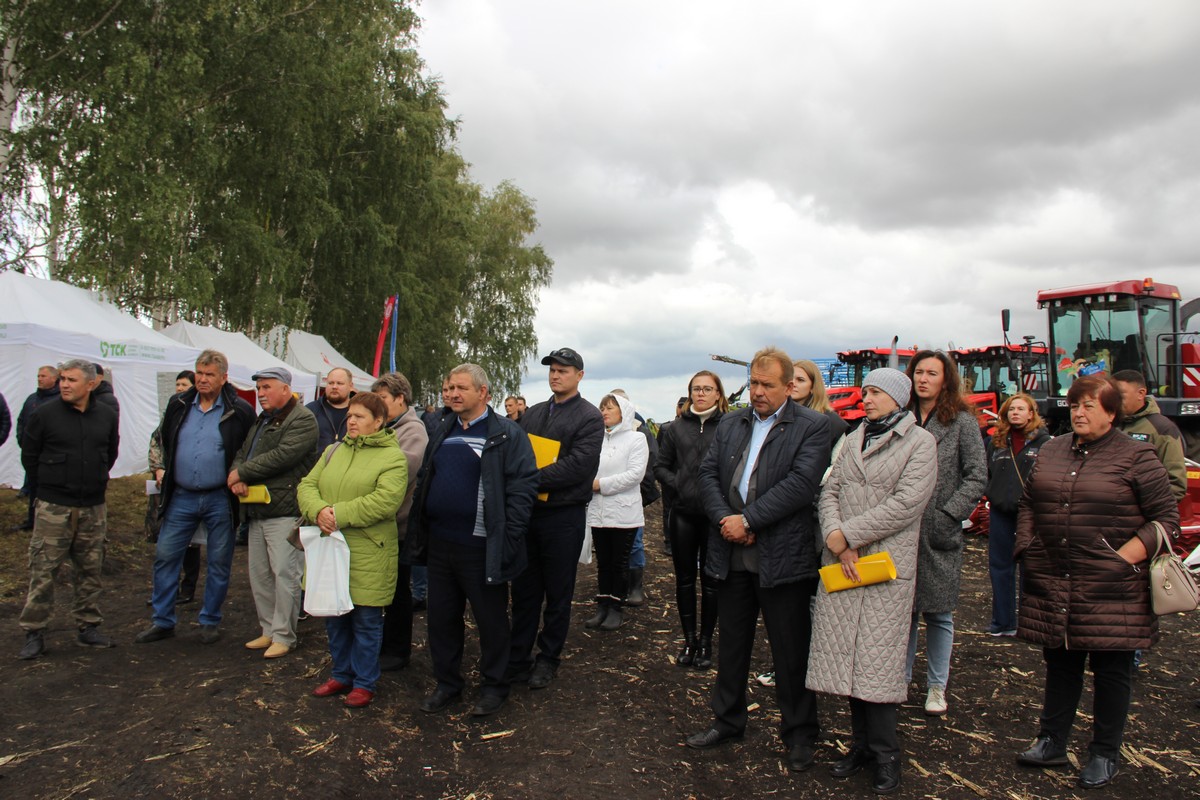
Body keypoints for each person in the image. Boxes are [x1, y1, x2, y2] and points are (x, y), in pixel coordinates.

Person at [1014, 375, 1179, 789]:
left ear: (1111, 412)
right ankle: (1052, 741)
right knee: (1061, 661)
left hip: (1113, 587)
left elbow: (1166, 520)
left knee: (1111, 669)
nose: (1079, 412)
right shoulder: (1052, 449)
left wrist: (1122, 561)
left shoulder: (1136, 456)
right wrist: (1027, 547)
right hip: (1055, 577)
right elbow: (1030, 502)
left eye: (1089, 405)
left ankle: (1104, 752)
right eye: (1075, 405)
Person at [686, 346, 832, 775]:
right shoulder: (732, 423)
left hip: (782, 556)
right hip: (731, 553)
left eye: (767, 385)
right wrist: (726, 520)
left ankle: (800, 732)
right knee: (731, 644)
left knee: (790, 650)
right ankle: (728, 720)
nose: (758, 392)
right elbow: (708, 475)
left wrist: (749, 519)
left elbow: (801, 485)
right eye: (753, 383)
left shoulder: (813, 427)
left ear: (790, 386)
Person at [807, 367, 937, 795]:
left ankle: (886, 755)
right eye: (866, 391)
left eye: (877, 392)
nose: (868, 398)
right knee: (846, 656)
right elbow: (829, 489)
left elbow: (906, 504)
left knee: (877, 662)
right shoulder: (851, 437)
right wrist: (834, 537)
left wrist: (851, 534)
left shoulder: (920, 443)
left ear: (898, 398)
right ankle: (859, 747)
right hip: (844, 561)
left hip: (884, 566)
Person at [406, 364, 538, 717]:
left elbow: (523, 488)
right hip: (440, 544)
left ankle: (495, 686)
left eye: (460, 388)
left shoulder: (506, 433)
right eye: (448, 388)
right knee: (441, 619)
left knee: (491, 620)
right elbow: (426, 477)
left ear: (484, 393)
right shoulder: (442, 429)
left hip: (481, 545)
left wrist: (508, 537)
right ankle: (448, 683)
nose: (452, 394)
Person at [136, 354, 255, 645]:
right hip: (182, 495)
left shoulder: (239, 410)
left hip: (219, 497)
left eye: (210, 374)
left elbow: (249, 449)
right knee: (166, 556)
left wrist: (241, 476)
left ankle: (210, 619)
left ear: (224, 377)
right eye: (200, 373)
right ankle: (162, 620)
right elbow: (164, 438)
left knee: (219, 560)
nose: (202, 379)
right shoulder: (178, 405)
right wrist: (161, 468)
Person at [298, 392, 407, 708]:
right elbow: (307, 485)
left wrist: (337, 514)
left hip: (369, 552)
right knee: (334, 616)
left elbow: (385, 502)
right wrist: (318, 510)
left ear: (378, 421)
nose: (352, 421)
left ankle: (364, 682)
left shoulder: (392, 458)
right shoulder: (334, 451)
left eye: (360, 416)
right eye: (350, 415)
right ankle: (341, 673)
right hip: (330, 548)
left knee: (365, 620)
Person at [508, 347, 604, 690]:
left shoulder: (589, 417)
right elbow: (517, 451)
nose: (555, 375)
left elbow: (578, 466)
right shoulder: (532, 413)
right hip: (528, 514)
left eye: (564, 370)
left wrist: (527, 479)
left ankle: (548, 659)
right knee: (524, 589)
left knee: (558, 592)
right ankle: (517, 656)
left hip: (563, 516)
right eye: (552, 369)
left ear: (579, 375)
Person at [17, 360, 120, 659]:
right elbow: (30, 457)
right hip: (54, 506)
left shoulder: (106, 415)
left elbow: (110, 452)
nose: (64, 384)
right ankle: (34, 631)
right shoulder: (44, 415)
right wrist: (51, 486)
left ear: (90, 384)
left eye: (71, 380)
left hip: (92, 506)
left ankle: (88, 626)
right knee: (43, 570)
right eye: (62, 379)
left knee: (90, 569)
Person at [903, 349, 987, 716]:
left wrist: (948, 514)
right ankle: (898, 679)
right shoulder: (900, 418)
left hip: (937, 530)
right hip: (900, 528)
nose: (923, 379)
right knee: (901, 611)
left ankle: (937, 686)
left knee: (938, 613)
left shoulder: (962, 422)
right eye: (918, 372)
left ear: (945, 380)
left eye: (931, 373)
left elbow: (976, 475)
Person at [229, 366, 319, 658]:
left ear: (285, 389)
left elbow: (283, 456)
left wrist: (242, 472)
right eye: (258, 389)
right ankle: (268, 630)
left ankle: (284, 634)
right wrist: (237, 473)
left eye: (266, 387)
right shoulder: (262, 420)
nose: (261, 393)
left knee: (285, 574)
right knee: (260, 574)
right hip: (257, 508)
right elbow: (245, 451)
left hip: (285, 509)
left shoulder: (302, 419)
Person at [655, 371, 727, 669]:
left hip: (714, 516)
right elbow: (660, 467)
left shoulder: (729, 426)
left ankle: (707, 642)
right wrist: (681, 484)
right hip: (682, 513)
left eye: (707, 389)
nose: (701, 394)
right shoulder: (675, 428)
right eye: (696, 389)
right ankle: (689, 639)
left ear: (718, 394)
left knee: (711, 581)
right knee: (684, 580)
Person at [372, 371, 429, 672]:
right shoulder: (383, 427)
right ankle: (379, 644)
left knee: (396, 590)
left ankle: (397, 650)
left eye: (382, 399)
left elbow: (400, 474)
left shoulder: (413, 431)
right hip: (374, 523)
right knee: (377, 589)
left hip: (398, 525)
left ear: (400, 399)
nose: (378, 405)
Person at [983, 393, 1050, 637]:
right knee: (1000, 566)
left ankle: (1028, 622)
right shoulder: (997, 442)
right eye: (1011, 409)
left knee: (1030, 568)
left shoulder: (1045, 443)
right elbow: (986, 472)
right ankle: (1003, 621)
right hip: (1001, 511)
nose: (1015, 413)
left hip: (1030, 515)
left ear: (1031, 413)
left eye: (1021, 409)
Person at [585, 394, 649, 631]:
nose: (604, 411)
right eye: (602, 407)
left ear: (623, 411)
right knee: (603, 561)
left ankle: (616, 608)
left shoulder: (636, 439)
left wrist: (600, 485)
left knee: (619, 561)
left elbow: (634, 475)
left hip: (623, 511)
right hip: (599, 510)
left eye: (610, 407)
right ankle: (602, 605)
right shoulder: (597, 439)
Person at [144, 370, 201, 604]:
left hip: (189, 487)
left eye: (184, 384)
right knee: (165, 543)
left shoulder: (199, 412)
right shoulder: (172, 409)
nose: (179, 388)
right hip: (165, 486)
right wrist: (158, 468)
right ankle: (165, 592)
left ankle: (187, 589)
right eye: (177, 384)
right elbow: (157, 439)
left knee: (191, 543)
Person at [1111, 370, 1187, 504]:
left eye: (1120, 395)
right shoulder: (1107, 425)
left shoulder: (1162, 428)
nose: (1114, 401)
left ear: (1141, 394)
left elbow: (1176, 485)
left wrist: (1141, 510)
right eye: (1112, 396)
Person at [13, 366, 60, 531]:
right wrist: (22, 440)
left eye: (43, 376)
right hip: (30, 452)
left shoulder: (59, 401)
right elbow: (21, 421)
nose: (39, 379)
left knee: (47, 491)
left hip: (48, 455)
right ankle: (31, 520)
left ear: (54, 379)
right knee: (33, 488)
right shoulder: (32, 399)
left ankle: (47, 522)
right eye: (38, 376)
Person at [306, 366, 356, 449]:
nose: (334, 387)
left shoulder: (360, 413)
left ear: (351, 386)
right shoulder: (310, 411)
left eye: (339, 383)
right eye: (331, 383)